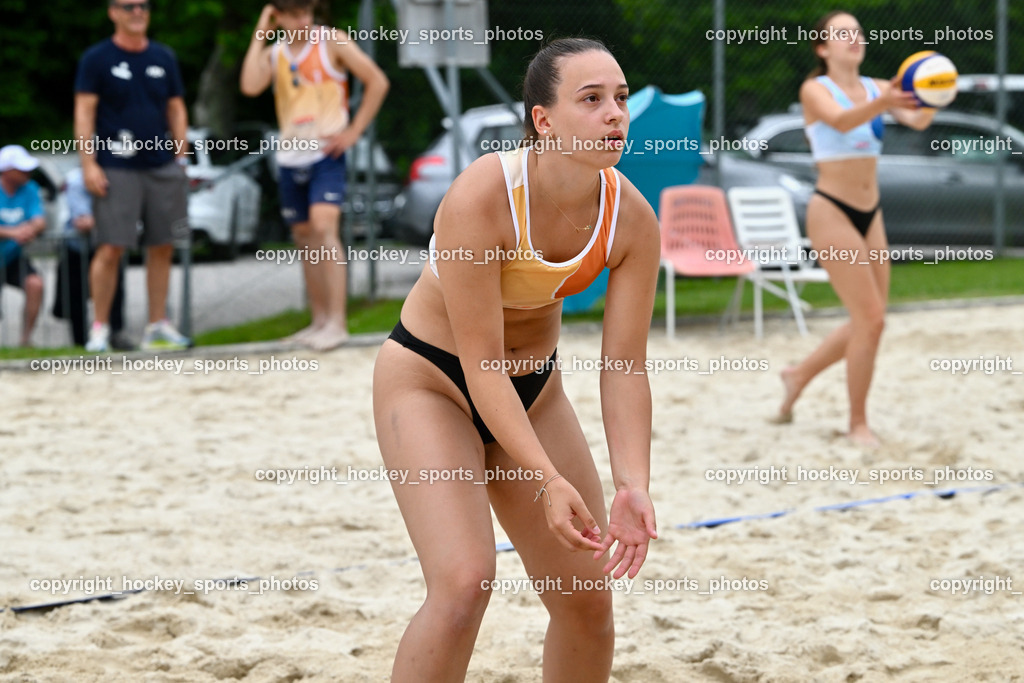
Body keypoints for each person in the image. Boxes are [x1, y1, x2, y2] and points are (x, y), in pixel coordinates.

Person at [373, 39, 660, 682]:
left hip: (534, 388)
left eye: (620, 97)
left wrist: (631, 482)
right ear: (544, 120)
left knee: (587, 601)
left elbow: (625, 367)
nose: (615, 113)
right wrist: (546, 479)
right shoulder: (483, 195)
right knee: (465, 583)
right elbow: (481, 367)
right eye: (592, 99)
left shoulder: (630, 216)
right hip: (433, 382)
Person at [776, 11, 941, 446]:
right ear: (822, 48)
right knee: (869, 317)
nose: (854, 39)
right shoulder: (816, 89)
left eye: (858, 32)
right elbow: (843, 120)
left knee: (872, 320)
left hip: (872, 212)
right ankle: (857, 425)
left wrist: (935, 92)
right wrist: (888, 102)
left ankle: (798, 375)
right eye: (841, 33)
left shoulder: (879, 87)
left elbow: (919, 120)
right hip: (832, 210)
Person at [239, 1, 389, 351]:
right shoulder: (275, 52)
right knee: (305, 237)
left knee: (325, 228)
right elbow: (249, 85)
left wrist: (353, 131)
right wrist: (262, 30)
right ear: (279, 16)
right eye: (294, 13)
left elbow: (377, 81)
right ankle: (319, 320)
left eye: (307, 12)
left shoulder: (332, 42)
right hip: (291, 157)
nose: (303, 20)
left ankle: (338, 322)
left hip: (326, 154)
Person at [74, 0, 191, 353]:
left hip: (161, 165)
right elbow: (84, 110)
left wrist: (181, 154)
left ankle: (157, 325)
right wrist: (88, 163)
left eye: (143, 5)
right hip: (116, 165)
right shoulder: (96, 59)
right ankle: (99, 328)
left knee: (163, 245)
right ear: (112, 11)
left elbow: (176, 106)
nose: (137, 11)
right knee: (111, 247)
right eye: (128, 6)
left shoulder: (163, 57)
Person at [52, 167, 131, 350]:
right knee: (76, 301)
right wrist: (113, 219)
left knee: (115, 295)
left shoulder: (121, 177)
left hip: (108, 247)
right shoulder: (75, 180)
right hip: (78, 250)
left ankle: (115, 336)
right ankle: (81, 343)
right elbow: (83, 222)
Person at [0, 145, 46, 347]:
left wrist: (31, 229)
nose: (28, 172)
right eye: (21, 168)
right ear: (6, 170)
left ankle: (25, 341)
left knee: (35, 284)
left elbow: (39, 220)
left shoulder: (30, 188)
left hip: (12, 256)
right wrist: (13, 232)